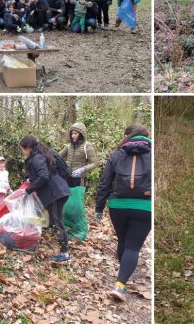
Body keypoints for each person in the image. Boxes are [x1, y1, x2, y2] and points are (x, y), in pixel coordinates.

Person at [95, 125, 151, 302]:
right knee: (133, 246)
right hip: (145, 207)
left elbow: (104, 183)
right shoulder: (152, 154)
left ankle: (123, 273)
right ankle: (120, 284)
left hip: (117, 206)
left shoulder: (116, 154)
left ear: (127, 136)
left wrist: (99, 208)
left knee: (123, 240)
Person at [20, 135, 72, 263]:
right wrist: (30, 180)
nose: (22, 151)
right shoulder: (40, 155)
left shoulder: (37, 158)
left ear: (28, 148)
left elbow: (44, 177)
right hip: (58, 191)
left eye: (23, 148)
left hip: (55, 194)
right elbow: (41, 174)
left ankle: (64, 253)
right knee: (53, 220)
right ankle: (54, 243)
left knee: (58, 222)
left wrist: (28, 190)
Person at [59, 123, 99, 188]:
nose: (73, 136)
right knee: (68, 197)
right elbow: (58, 156)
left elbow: (95, 163)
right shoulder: (69, 146)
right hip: (67, 176)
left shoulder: (87, 146)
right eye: (72, 133)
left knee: (77, 197)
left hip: (80, 178)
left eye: (75, 134)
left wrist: (83, 169)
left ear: (81, 134)